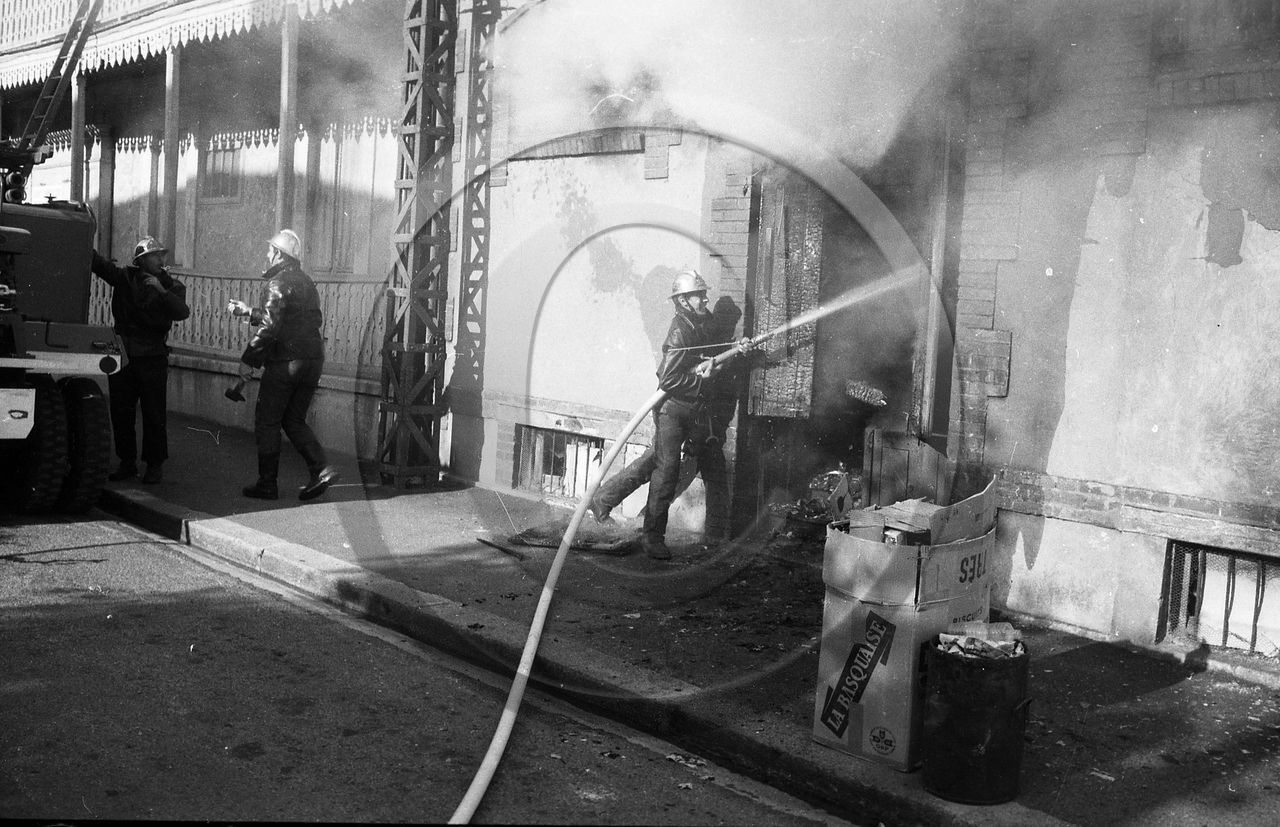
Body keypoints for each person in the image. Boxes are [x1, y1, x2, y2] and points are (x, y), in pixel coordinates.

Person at [589, 296, 744, 530]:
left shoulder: (710, 328)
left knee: (699, 469)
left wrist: (739, 349)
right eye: (728, 319)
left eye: (733, 321)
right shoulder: (697, 328)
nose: (730, 325)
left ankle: (711, 534)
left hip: (698, 413)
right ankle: (609, 502)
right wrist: (733, 353)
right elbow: (679, 374)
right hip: (676, 407)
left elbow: (718, 361)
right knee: (661, 463)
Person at [632, 269, 750, 560]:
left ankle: (716, 535)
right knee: (667, 470)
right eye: (700, 295)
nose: (705, 299)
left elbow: (714, 348)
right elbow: (668, 380)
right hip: (673, 413)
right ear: (684, 301)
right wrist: (702, 379)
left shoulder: (702, 321)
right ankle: (652, 537)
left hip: (696, 411)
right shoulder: (678, 331)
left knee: (714, 467)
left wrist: (737, 348)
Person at [226, 229, 338, 501]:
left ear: (278, 253)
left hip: (286, 362)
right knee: (293, 419)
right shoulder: (306, 282)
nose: (266, 255)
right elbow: (287, 318)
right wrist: (248, 310)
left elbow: (269, 327)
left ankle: (267, 484)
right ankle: (321, 468)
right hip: (312, 359)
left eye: (269, 250)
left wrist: (247, 361)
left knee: (267, 421)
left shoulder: (276, 283)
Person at [91, 236, 190, 484]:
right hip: (123, 354)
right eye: (155, 256)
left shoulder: (171, 285)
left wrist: (159, 289)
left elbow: (182, 312)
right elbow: (100, 266)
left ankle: (154, 465)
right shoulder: (126, 277)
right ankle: (127, 462)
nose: (161, 259)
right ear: (141, 261)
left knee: (154, 414)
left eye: (162, 255)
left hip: (153, 356)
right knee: (121, 412)